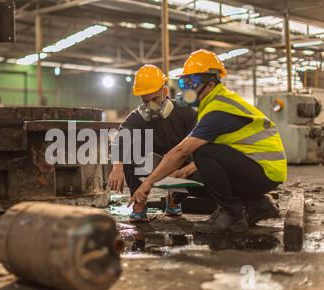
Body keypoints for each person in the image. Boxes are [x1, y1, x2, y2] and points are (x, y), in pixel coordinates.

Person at [129, 49, 287, 233]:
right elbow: (225, 152)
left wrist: (147, 183)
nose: (186, 88)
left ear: (211, 83)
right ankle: (258, 205)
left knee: (203, 152)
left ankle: (231, 215)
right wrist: (185, 171)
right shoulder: (212, 103)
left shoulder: (218, 108)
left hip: (265, 170)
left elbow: (182, 151)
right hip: (258, 168)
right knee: (196, 180)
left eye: (191, 82)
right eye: (184, 82)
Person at [107, 64, 198, 223]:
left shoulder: (186, 112)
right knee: (129, 150)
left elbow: (198, 143)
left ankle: (174, 199)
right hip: (152, 165)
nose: (151, 106)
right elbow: (121, 137)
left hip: (180, 165)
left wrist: (186, 166)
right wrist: (117, 166)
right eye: (145, 101)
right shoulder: (137, 117)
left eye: (155, 99)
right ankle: (139, 203)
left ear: (165, 92)